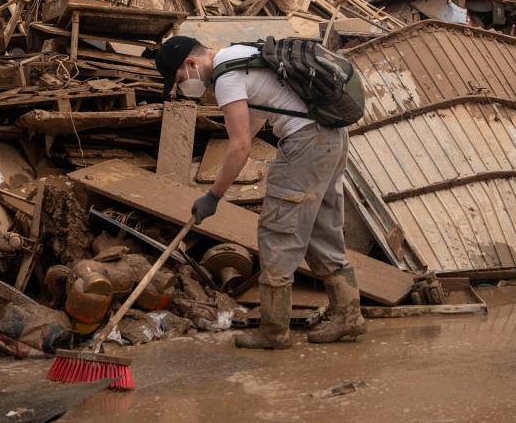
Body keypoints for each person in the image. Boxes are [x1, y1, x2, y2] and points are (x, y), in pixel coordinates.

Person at [155, 36, 365, 349]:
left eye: (181, 79)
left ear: (190, 63)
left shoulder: (226, 78)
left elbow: (241, 146)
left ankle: (274, 330)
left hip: (305, 144)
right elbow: (254, 122)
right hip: (331, 138)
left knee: (277, 230)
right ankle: (348, 315)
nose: (183, 87)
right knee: (322, 227)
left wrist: (213, 195)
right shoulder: (242, 53)